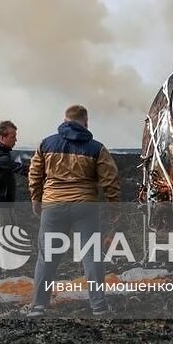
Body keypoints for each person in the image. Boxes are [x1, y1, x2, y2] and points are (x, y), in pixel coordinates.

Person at [25, 105, 122, 317]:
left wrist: (36, 200)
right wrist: (114, 205)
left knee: (47, 257)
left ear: (65, 119)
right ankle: (99, 306)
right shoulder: (97, 148)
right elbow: (110, 179)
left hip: (53, 206)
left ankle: (38, 306)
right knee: (91, 256)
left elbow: (34, 174)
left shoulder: (46, 143)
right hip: (85, 207)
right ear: (85, 122)